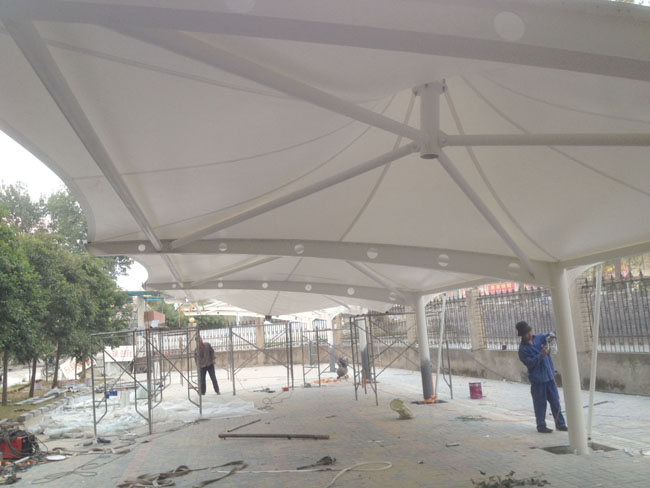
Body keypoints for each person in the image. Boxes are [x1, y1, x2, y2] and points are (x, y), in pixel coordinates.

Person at [516, 321, 567, 434]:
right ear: (522, 335)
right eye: (525, 334)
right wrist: (541, 355)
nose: (528, 335)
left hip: (549, 376)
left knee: (555, 401)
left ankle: (560, 424)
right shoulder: (523, 350)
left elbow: (551, 334)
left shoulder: (539, 338)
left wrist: (552, 334)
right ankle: (541, 426)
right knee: (540, 403)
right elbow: (530, 363)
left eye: (529, 332)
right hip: (538, 380)